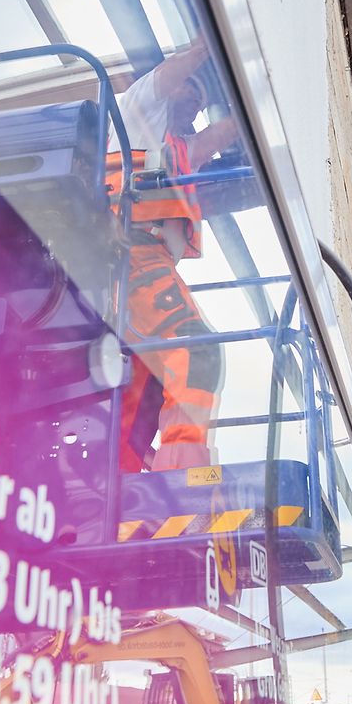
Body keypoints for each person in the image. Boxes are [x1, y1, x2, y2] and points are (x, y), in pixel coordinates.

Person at [105, 46, 237, 473]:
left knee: (140, 386)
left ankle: (119, 476)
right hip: (132, 253)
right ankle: (183, 475)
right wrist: (212, 39)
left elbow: (223, 135)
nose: (195, 99)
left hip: (140, 263)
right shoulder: (137, 108)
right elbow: (175, 70)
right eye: (190, 89)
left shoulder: (179, 149)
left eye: (201, 97)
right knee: (196, 353)